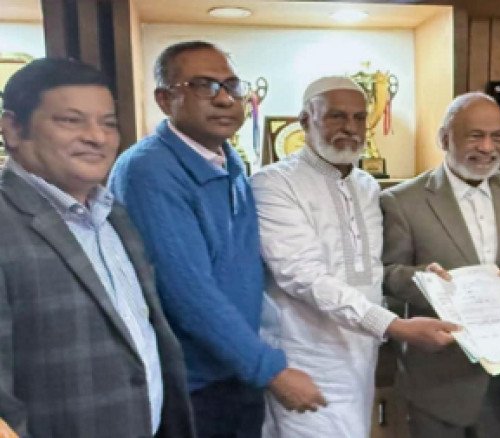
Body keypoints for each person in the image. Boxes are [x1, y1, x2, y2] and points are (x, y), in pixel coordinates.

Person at [109, 41, 322, 438]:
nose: (224, 99)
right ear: (164, 99)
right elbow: (187, 291)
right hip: (191, 384)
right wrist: (269, 369)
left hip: (235, 372)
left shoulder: (230, 162)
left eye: (231, 86)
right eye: (203, 85)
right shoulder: (149, 170)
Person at [251, 76, 458, 437]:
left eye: (359, 118)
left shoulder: (366, 185)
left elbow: (369, 271)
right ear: (305, 121)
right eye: (336, 116)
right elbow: (303, 276)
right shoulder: (273, 183)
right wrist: (393, 326)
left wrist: (420, 276)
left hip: (362, 356)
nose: (350, 127)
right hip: (304, 359)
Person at [0, 58, 194, 437]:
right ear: (13, 129)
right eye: (70, 121)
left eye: (108, 123)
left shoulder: (112, 215)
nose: (97, 137)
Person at [381, 92, 500, 438]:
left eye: (498, 136)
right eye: (475, 136)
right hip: (438, 378)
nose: (487, 147)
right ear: (444, 138)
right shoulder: (401, 201)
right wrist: (424, 280)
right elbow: (388, 274)